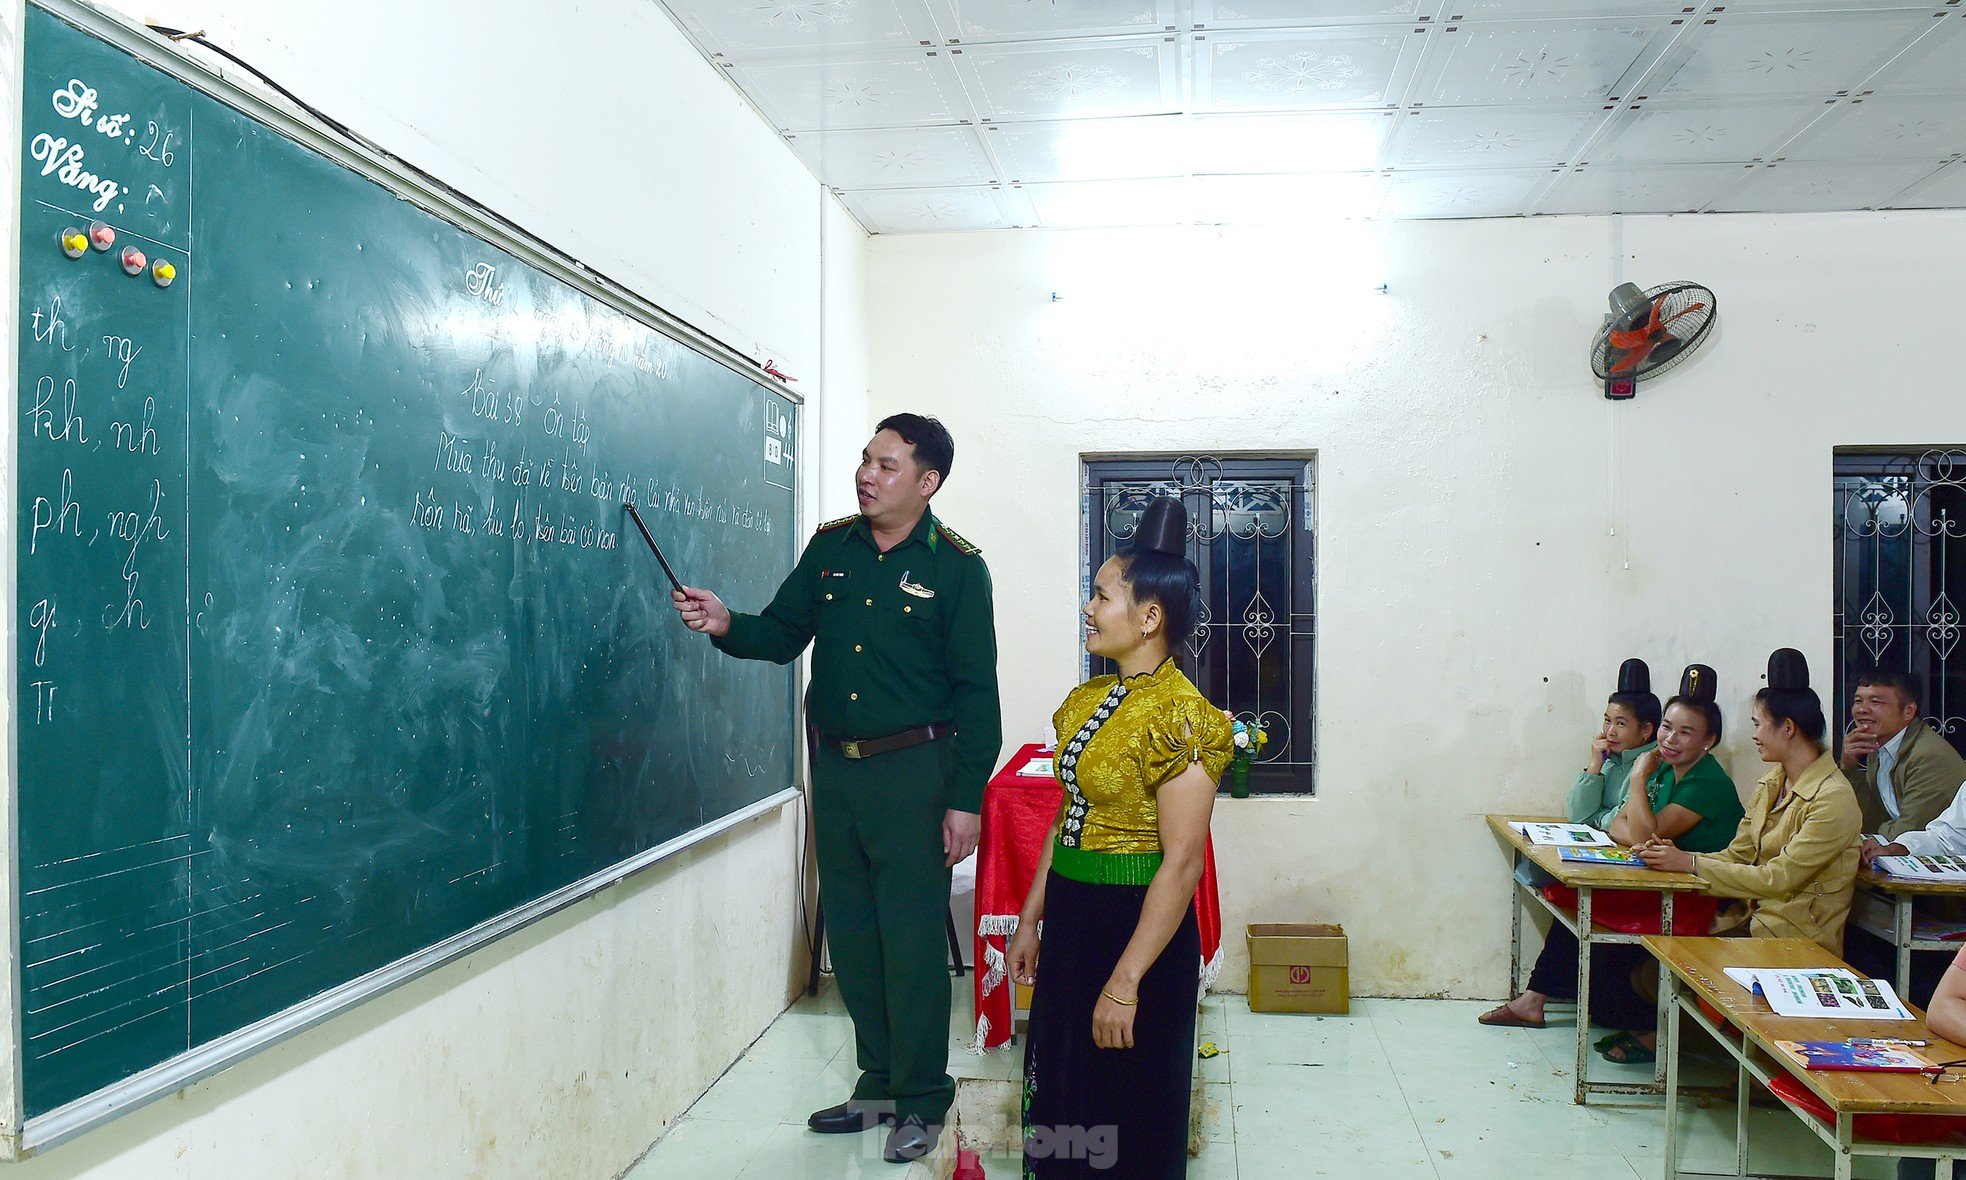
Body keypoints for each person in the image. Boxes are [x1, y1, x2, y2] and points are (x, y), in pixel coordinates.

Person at [672, 413, 1002, 1163]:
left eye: (887, 466)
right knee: (852, 936)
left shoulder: (955, 567)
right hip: (839, 770)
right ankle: (878, 1085)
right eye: (865, 460)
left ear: (927, 482)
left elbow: (978, 695)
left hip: (917, 775)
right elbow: (783, 633)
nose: (867, 475)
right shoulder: (831, 548)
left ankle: (923, 1098)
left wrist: (965, 799)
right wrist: (727, 622)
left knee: (912, 941)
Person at [1007, 496, 1231, 1179]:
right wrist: (1030, 919)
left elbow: (1183, 864)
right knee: (1066, 1087)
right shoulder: (1085, 702)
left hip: (1137, 929)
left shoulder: (1184, 718)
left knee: (1129, 1105)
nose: (1089, 608)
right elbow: (1066, 816)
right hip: (1074, 919)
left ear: (1149, 617)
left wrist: (1127, 980)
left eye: (1102, 596)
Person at [1480, 665, 1742, 1054]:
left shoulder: (1705, 781)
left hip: (1697, 895)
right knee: (1568, 895)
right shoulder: (1670, 772)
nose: (1671, 739)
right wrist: (1637, 818)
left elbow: (1639, 832)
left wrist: (1637, 779)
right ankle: (1537, 1000)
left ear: (1709, 741)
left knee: (1582, 901)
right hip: (1661, 883)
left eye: (1685, 732)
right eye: (1669, 727)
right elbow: (1621, 825)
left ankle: (1551, 1003)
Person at [1636, 648, 1862, 956]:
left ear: (1787, 728)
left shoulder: (1833, 799)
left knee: (1664, 967)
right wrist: (1672, 857)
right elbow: (1738, 854)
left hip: (1795, 942)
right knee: (1651, 966)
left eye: (1758, 724)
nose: (1753, 735)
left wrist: (1689, 864)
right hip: (1748, 922)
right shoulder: (1771, 783)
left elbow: (1778, 878)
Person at [1843, 670, 1966, 841]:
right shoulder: (1877, 747)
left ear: (1908, 711)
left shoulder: (1928, 756)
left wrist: (1883, 828)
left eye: (1875, 702)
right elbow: (1864, 820)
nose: (1862, 709)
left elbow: (1908, 833)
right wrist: (1849, 768)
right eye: (1858, 701)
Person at [1569, 658, 1662, 830]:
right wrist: (1595, 765)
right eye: (1607, 720)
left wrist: (1596, 818)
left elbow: (1622, 822)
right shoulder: (1609, 758)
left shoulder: (1652, 764)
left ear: (1646, 730)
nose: (1610, 731)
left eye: (1620, 723)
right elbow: (1578, 816)